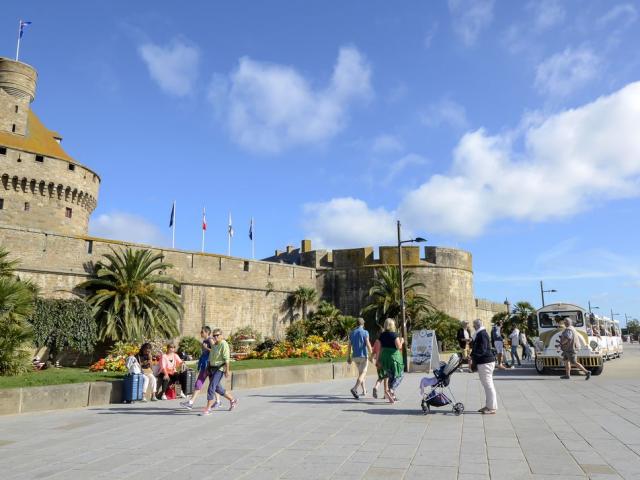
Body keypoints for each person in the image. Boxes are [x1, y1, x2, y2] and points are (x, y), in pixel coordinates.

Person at [181, 326, 221, 410]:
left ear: (207, 332)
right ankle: (218, 401)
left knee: (199, 382)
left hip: (207, 365)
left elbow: (215, 351)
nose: (201, 333)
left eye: (202, 332)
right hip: (207, 365)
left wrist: (206, 348)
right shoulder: (206, 340)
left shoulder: (210, 340)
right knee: (214, 384)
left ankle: (191, 402)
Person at [201, 328, 238, 416]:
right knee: (218, 388)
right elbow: (211, 357)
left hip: (219, 369)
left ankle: (208, 408)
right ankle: (233, 400)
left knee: (211, 387)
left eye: (217, 335)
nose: (215, 337)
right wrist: (207, 368)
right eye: (214, 335)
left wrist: (227, 370)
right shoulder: (214, 345)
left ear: (221, 335)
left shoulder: (223, 344)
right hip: (211, 368)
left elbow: (226, 359)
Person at [470, 318, 497, 414]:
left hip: (486, 362)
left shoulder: (482, 334)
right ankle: (489, 406)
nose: (473, 326)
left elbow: (482, 350)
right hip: (484, 362)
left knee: (488, 385)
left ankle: (492, 408)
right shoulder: (481, 333)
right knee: (487, 385)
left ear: (477, 325)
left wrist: (472, 356)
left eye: (474, 325)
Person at [379, 318, 404, 404]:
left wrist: (379, 359)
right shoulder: (394, 335)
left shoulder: (382, 335)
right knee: (399, 375)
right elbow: (398, 347)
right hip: (394, 357)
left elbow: (381, 347)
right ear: (392, 325)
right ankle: (391, 390)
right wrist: (402, 342)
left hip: (385, 357)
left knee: (390, 376)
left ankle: (392, 395)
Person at [347, 318, 373, 399]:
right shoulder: (365, 332)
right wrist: (371, 354)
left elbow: (349, 346)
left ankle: (364, 390)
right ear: (363, 324)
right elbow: (368, 344)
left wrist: (348, 357)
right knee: (363, 373)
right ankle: (354, 388)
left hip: (355, 357)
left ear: (356, 324)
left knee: (361, 373)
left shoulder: (352, 333)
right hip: (363, 356)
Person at [370, 335, 387, 399]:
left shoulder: (377, 341)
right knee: (386, 378)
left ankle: (376, 387)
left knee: (380, 377)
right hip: (385, 361)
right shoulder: (387, 341)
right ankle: (385, 394)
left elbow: (373, 352)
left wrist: (371, 358)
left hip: (378, 362)